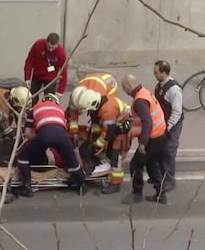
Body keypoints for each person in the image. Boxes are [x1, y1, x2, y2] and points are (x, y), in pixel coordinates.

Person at [15, 93, 86, 197]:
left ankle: (27, 186)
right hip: (62, 135)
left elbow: (28, 134)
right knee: (72, 161)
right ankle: (81, 184)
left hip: (44, 135)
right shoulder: (60, 110)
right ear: (56, 102)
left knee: (22, 157)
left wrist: (39, 141)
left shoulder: (35, 108)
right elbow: (62, 127)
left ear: (43, 101)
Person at [121, 74, 168, 204]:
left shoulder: (140, 101)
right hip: (159, 135)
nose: (123, 90)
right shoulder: (144, 92)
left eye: (124, 87)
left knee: (135, 165)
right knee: (152, 165)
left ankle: (137, 194)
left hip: (151, 140)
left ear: (129, 86)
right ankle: (161, 194)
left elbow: (147, 122)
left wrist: (142, 143)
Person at [76, 90, 132, 194]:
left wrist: (96, 145)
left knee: (116, 156)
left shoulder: (108, 109)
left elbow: (108, 133)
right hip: (115, 127)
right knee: (110, 153)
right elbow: (98, 125)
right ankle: (110, 174)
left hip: (122, 129)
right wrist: (92, 141)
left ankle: (115, 183)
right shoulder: (99, 104)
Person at [153, 60, 184, 192]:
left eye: (156, 72)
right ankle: (160, 176)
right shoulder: (159, 85)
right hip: (163, 124)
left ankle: (169, 181)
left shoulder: (174, 90)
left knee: (168, 152)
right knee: (160, 150)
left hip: (172, 125)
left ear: (164, 73)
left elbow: (177, 112)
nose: (154, 74)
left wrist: (168, 127)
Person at [65, 72, 118, 147]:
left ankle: (97, 139)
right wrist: (74, 132)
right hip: (95, 81)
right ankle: (92, 137)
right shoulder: (75, 97)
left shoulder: (98, 96)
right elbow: (72, 115)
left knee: (100, 117)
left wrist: (98, 142)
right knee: (71, 114)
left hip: (110, 87)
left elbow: (97, 111)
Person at [24, 33, 67, 106]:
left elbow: (64, 72)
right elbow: (29, 61)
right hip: (37, 75)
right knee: (32, 97)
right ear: (46, 42)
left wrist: (60, 91)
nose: (50, 49)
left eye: (53, 48)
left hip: (51, 79)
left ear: (57, 45)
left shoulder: (61, 53)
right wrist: (27, 78)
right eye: (49, 47)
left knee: (49, 100)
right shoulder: (38, 45)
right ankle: (30, 113)